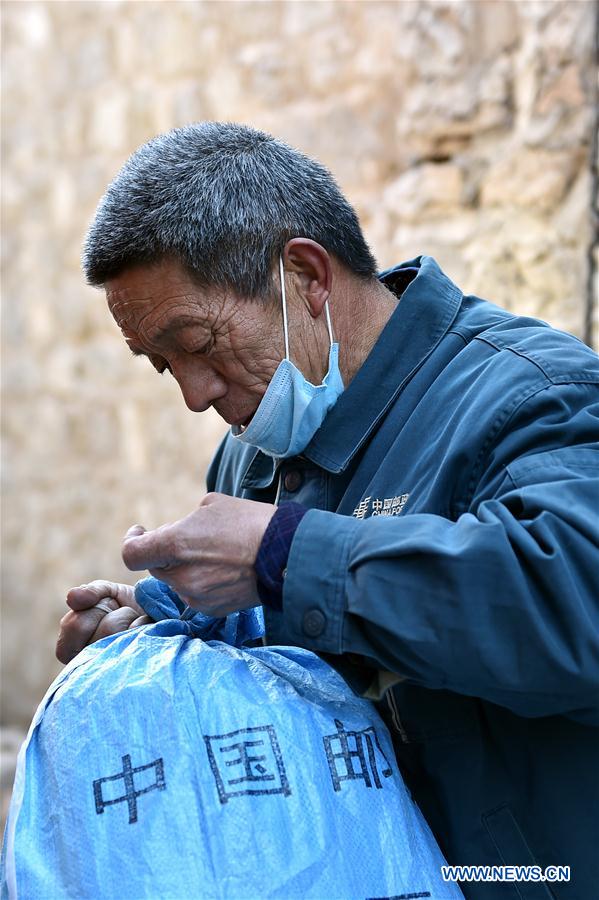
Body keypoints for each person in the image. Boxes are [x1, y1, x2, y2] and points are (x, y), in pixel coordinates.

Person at [57, 122, 598, 898]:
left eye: (198, 342)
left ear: (306, 276)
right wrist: (169, 633)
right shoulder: (252, 453)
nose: (193, 394)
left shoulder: (530, 395)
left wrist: (282, 555)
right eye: (161, 364)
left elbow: (575, 607)